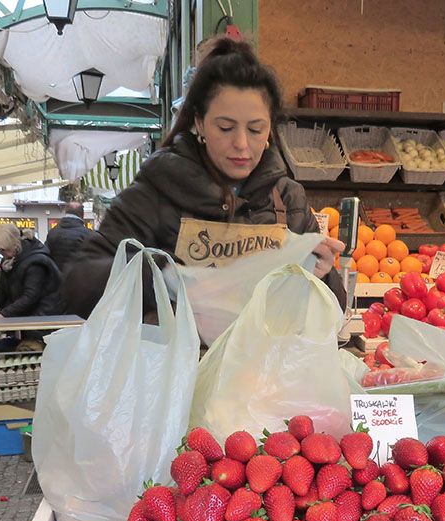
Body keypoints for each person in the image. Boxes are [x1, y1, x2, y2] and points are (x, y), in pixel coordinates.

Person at [64, 38, 345, 318]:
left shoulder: (286, 197)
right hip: (178, 360)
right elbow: (81, 282)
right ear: (199, 123)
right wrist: (163, 281)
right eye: (225, 128)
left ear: (270, 127)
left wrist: (321, 276)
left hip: (260, 362)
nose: (242, 144)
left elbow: (335, 307)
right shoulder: (157, 192)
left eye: (256, 129)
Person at [0, 226, 64, 319]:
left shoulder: (36, 263)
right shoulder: (9, 262)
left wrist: (4, 314)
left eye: (2, 250)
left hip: (42, 318)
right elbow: (1, 292)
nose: (0, 253)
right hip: (27, 315)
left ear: (13, 245)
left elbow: (31, 296)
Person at [46, 201, 91, 274]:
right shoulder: (88, 234)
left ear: (66, 212)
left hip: (55, 280)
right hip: (78, 280)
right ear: (82, 214)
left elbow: (47, 256)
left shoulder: (52, 232)